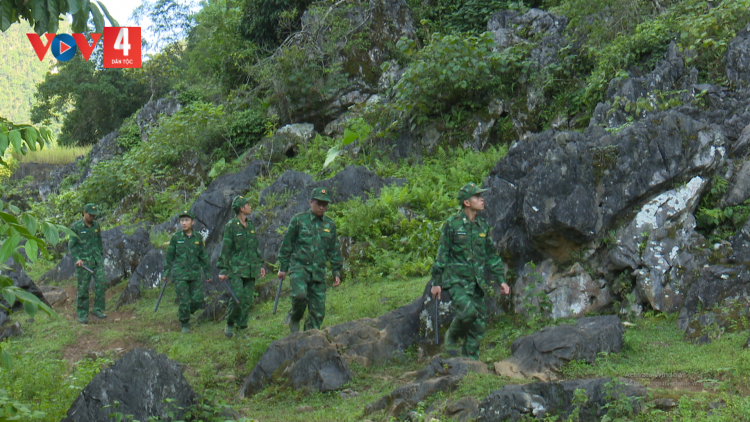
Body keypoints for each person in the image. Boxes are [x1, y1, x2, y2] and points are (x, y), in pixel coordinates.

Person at [430, 182, 511, 359]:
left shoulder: (482, 225)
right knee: (467, 312)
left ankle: (469, 361)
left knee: (479, 324)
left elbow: (491, 255)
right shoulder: (452, 225)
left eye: (481, 196)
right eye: (477, 197)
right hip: (457, 281)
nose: (481, 199)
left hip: (476, 283)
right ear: (467, 202)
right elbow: (442, 254)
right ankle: (451, 337)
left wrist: (501, 281)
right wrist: (437, 282)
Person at [277, 187, 343, 333]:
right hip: (299, 268)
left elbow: (334, 249)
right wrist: (283, 268)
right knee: (300, 296)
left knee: (318, 312)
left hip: (318, 272)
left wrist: (336, 271)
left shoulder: (329, 225)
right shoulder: (298, 220)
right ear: (311, 202)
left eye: (324, 204)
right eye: (318, 203)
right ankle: (295, 317)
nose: (321, 207)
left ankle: (309, 338)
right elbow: (287, 244)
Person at [218, 195, 265, 338]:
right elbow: (226, 248)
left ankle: (242, 328)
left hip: (251, 269)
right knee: (237, 297)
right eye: (247, 204)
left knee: (247, 300)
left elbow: (255, 247)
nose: (250, 206)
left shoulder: (250, 225)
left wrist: (260, 264)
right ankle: (230, 322)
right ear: (241, 208)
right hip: (237, 269)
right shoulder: (231, 226)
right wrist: (223, 269)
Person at [164, 210, 211, 334]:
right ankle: (185, 323)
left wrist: (208, 273)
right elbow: (169, 257)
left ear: (192, 222)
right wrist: (166, 273)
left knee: (198, 299)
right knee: (184, 300)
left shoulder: (198, 238)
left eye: (186, 220)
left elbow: (203, 256)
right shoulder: (176, 238)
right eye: (182, 220)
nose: (184, 223)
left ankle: (184, 312)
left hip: (195, 274)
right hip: (180, 275)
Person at [69, 203, 107, 324]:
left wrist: (100, 255)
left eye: (94, 216)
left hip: (96, 260)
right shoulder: (76, 227)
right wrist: (77, 258)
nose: (92, 218)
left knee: (101, 283)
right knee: (83, 288)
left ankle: (98, 309)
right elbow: (72, 245)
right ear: (84, 213)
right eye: (90, 215)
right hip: (83, 263)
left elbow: (99, 241)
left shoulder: (96, 226)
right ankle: (82, 313)